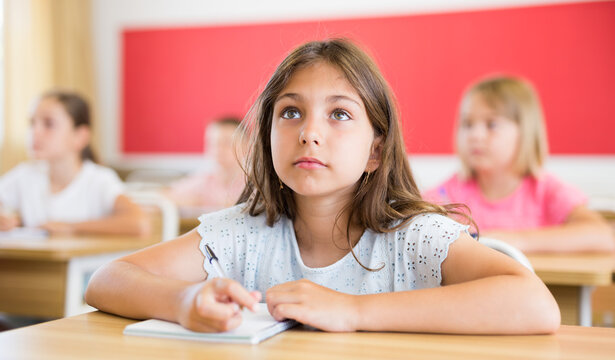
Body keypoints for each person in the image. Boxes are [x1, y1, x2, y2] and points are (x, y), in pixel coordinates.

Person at [85, 39, 559, 335]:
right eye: (290, 112)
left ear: (376, 151)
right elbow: (106, 280)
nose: (310, 132)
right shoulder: (242, 234)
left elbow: (536, 305)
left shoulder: (413, 237)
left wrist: (353, 311)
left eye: (340, 114)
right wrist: (184, 302)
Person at [423, 76, 614, 253]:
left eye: (491, 125)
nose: (475, 135)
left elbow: (604, 236)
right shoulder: (448, 194)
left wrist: (517, 241)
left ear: (525, 133)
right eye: (467, 124)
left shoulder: (545, 191)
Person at [0, 90, 148, 236]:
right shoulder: (25, 175)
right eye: (32, 123)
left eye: (48, 124)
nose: (35, 132)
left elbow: (139, 224)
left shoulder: (99, 180)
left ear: (80, 136)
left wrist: (71, 227)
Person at [165, 117, 246, 214]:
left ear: (246, 145)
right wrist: (196, 201)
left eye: (226, 143)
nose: (218, 149)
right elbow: (165, 195)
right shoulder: (205, 179)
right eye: (213, 143)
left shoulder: (254, 183)